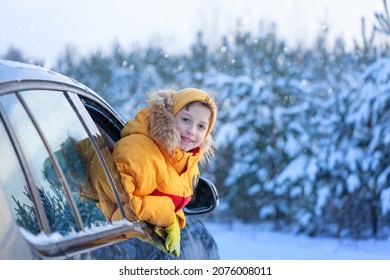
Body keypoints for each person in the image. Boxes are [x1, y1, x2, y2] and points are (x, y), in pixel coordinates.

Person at [111, 88, 217, 257]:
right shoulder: (139, 148)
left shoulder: (187, 163)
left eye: (201, 126)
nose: (192, 131)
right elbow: (124, 205)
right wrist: (169, 218)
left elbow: (165, 194)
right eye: (185, 119)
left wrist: (176, 217)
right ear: (170, 116)